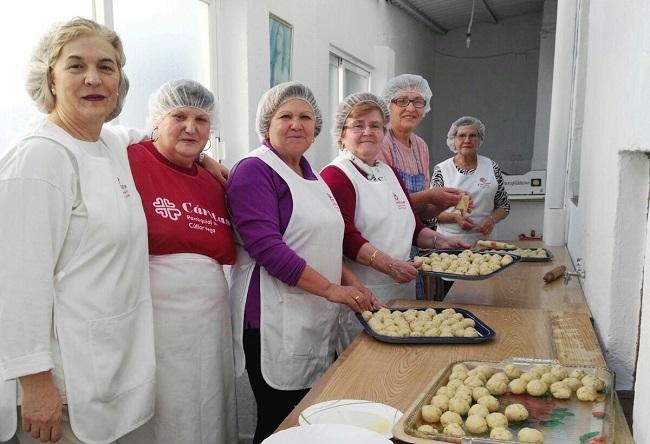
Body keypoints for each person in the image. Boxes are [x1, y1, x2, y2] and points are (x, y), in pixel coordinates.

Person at [0, 18, 155, 444]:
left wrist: (211, 162)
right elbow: (17, 284)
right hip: (60, 385)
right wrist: (35, 385)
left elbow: (148, 133)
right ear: (50, 77)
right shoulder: (39, 159)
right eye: (76, 66)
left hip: (106, 368)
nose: (93, 78)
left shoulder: (106, 144)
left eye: (106, 67)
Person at [227, 81, 376, 444]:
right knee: (281, 423)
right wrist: (331, 290)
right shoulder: (255, 171)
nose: (297, 124)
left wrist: (352, 283)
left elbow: (323, 242)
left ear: (317, 127)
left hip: (312, 313)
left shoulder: (311, 174)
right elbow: (268, 249)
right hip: (273, 320)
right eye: (286, 116)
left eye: (306, 117)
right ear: (267, 124)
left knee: (309, 416)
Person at [126, 80, 237, 444]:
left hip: (211, 320)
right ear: (157, 120)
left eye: (201, 119)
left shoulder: (214, 180)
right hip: (157, 320)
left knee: (209, 401)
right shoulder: (131, 158)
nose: (191, 127)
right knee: (169, 408)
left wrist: (205, 161)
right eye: (179, 116)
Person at [321, 92, 470, 348]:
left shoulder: (386, 171)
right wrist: (390, 266)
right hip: (364, 294)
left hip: (402, 290)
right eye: (358, 125)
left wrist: (441, 241)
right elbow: (345, 237)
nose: (368, 132)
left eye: (375, 126)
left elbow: (412, 226)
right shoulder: (336, 175)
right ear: (342, 135)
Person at [378, 74, 466, 217]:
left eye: (418, 101)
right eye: (402, 101)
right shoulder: (381, 142)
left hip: (412, 232)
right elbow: (384, 203)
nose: (411, 108)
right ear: (388, 105)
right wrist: (429, 196)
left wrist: (448, 201)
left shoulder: (420, 146)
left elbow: (423, 212)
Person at [432, 116, 510, 244]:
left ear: (479, 140)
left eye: (473, 135)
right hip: (450, 241)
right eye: (462, 135)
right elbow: (431, 211)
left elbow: (504, 206)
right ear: (453, 140)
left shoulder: (491, 167)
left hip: (485, 242)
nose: (467, 140)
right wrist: (455, 218)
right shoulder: (442, 170)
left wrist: (491, 220)